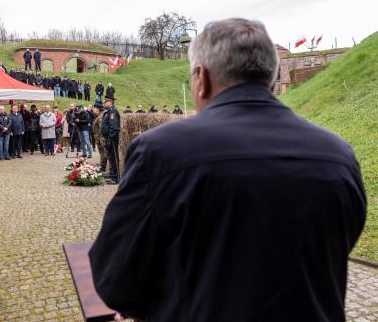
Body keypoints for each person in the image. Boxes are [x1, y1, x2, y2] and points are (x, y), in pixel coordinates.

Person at [89, 18, 367, 321]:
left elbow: (115, 280)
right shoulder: (338, 155)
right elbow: (336, 245)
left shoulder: (159, 152)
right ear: (272, 78)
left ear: (202, 77)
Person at [100, 94, 120, 184]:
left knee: (114, 158)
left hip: (112, 139)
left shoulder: (113, 112)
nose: (104, 103)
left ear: (110, 102)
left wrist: (110, 137)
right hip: (109, 138)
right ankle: (112, 175)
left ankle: (116, 178)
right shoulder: (108, 111)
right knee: (111, 158)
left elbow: (113, 126)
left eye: (106, 102)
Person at [91, 104, 107, 172]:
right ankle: (101, 164)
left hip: (101, 138)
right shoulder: (98, 116)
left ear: (98, 109)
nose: (93, 110)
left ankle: (103, 166)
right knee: (101, 152)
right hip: (98, 138)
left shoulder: (100, 117)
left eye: (94, 108)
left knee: (103, 152)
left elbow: (101, 129)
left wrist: (101, 139)